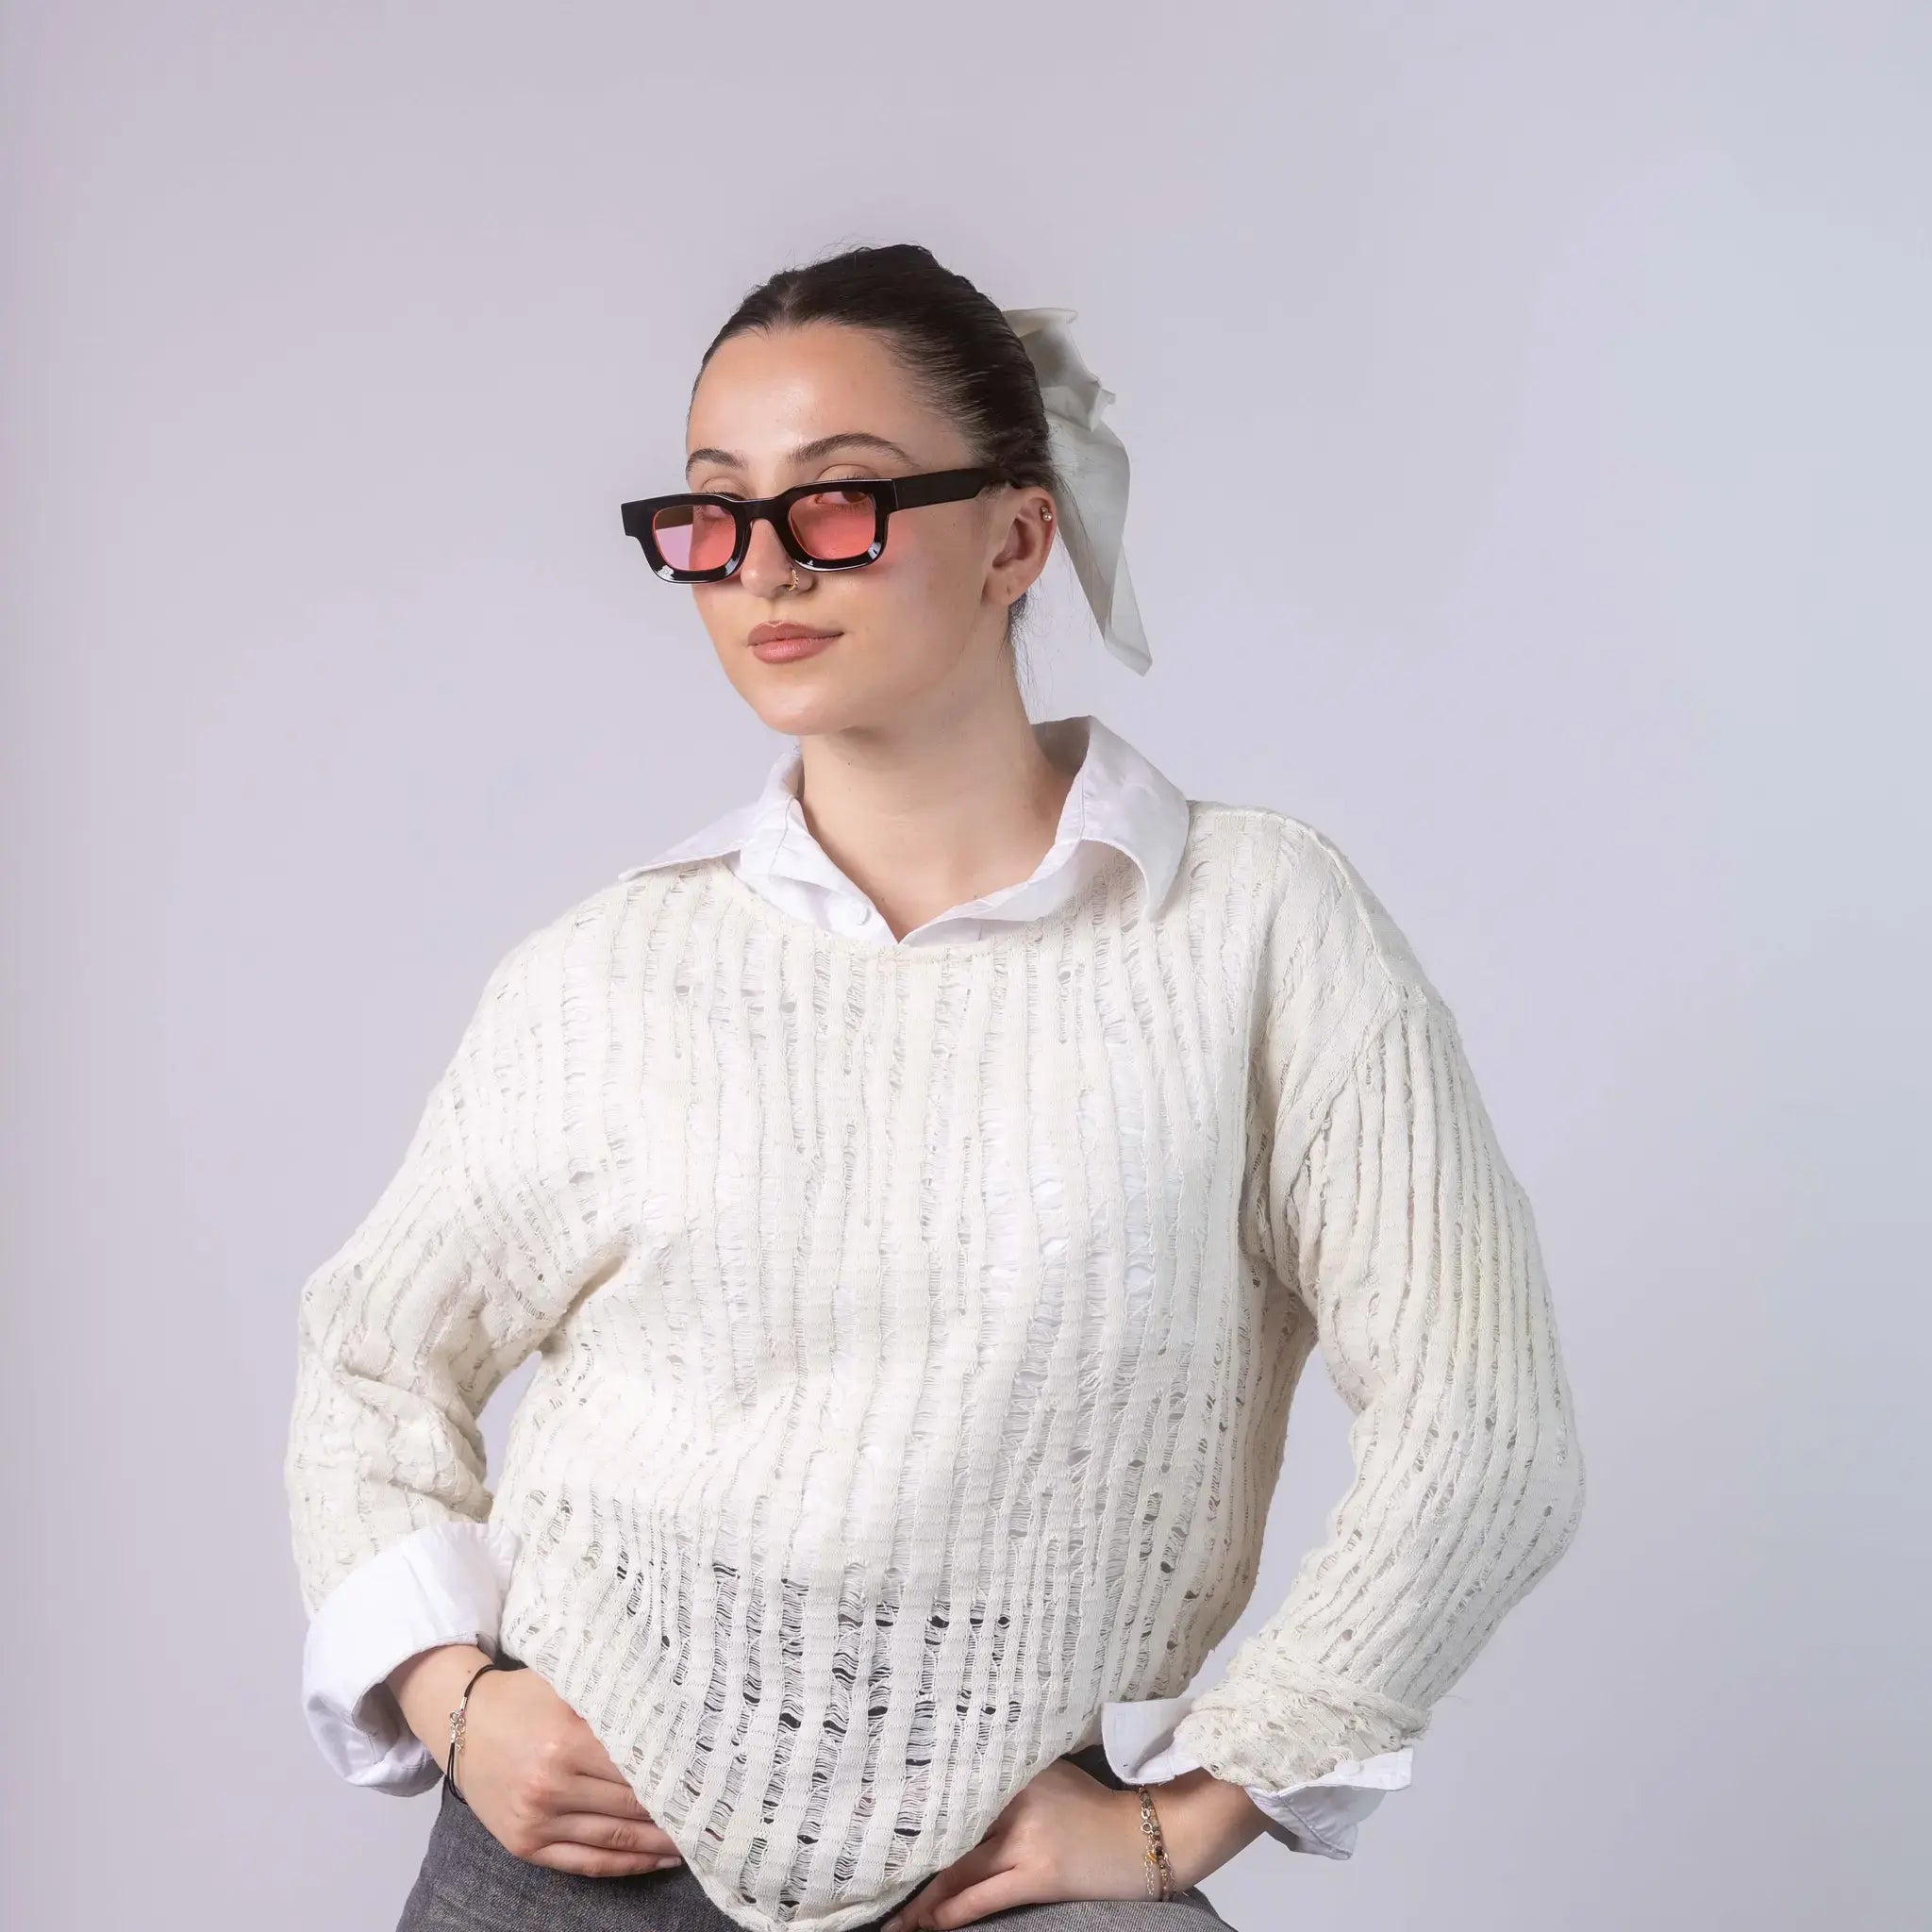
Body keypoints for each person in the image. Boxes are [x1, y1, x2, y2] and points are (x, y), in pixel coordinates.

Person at [284, 241, 1588, 1932]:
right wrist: (459, 1699)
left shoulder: (1255, 926)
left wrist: (1192, 1812)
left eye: (840, 502)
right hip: (572, 1865)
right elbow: (373, 1363)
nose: (764, 569)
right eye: (710, 513)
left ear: (1019, 534)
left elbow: (1486, 1428)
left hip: (1014, 1876)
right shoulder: (607, 975)